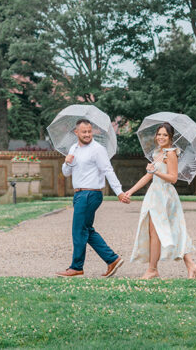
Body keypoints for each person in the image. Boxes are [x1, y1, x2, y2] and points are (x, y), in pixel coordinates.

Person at [123, 123, 196, 279]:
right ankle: (191, 265)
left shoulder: (171, 153)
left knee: (157, 231)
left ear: (170, 137)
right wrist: (130, 191)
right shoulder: (157, 153)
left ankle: (152, 269)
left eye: (165, 135)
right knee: (170, 230)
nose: (161, 137)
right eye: (159, 134)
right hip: (154, 194)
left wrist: (156, 171)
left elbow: (173, 178)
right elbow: (148, 176)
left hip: (165, 196)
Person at [56, 119, 130, 278]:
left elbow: (108, 170)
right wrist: (66, 163)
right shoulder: (73, 148)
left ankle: (76, 267)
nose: (88, 134)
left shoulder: (98, 149)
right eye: (84, 132)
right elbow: (66, 173)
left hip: (90, 194)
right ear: (76, 133)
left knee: (78, 230)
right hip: (79, 194)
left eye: (89, 131)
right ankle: (112, 259)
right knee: (86, 230)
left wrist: (119, 192)